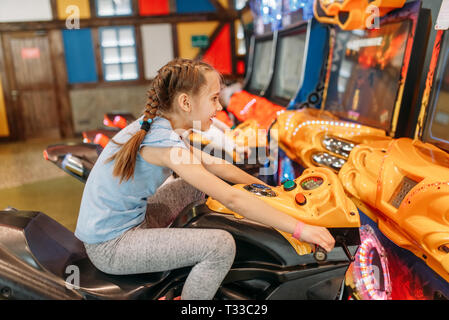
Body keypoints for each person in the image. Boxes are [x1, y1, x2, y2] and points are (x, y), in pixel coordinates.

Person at [74, 58, 335, 300]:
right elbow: (232, 198)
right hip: (111, 246)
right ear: (186, 103)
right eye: (213, 99)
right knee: (220, 246)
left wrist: (272, 192)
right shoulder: (166, 143)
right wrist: (301, 229)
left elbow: (216, 165)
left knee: (191, 185)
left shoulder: (164, 126)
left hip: (129, 222)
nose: (219, 107)